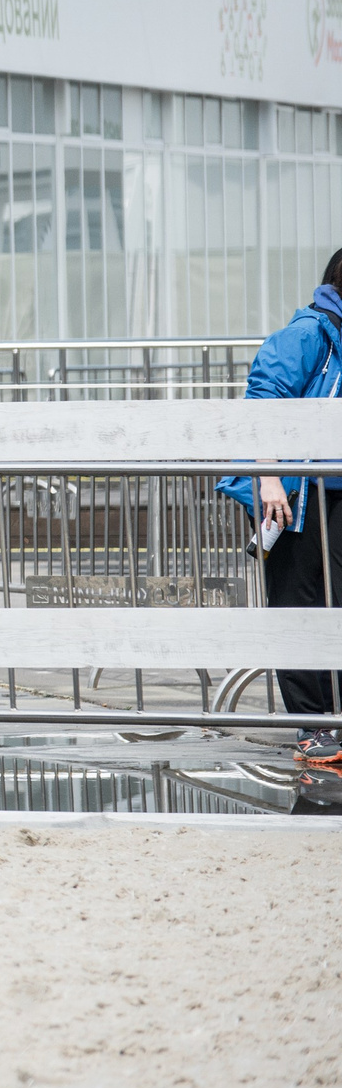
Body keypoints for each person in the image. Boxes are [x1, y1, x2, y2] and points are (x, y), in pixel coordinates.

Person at [217, 247, 342, 784]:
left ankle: (333, 718)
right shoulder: (310, 332)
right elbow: (264, 399)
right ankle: (313, 725)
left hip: (334, 490)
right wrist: (268, 479)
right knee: (299, 603)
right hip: (296, 494)